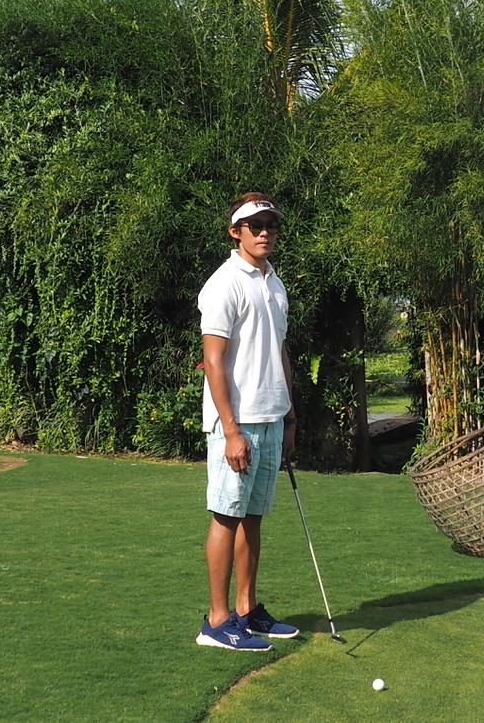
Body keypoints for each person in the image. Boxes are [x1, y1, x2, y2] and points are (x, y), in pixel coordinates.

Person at [195, 192, 299, 651]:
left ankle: (246, 610)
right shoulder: (223, 284)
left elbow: (279, 353)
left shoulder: (275, 284)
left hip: (271, 417)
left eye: (270, 225)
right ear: (235, 232)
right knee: (226, 516)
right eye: (254, 225)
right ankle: (216, 623)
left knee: (252, 517)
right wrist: (232, 430)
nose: (264, 232)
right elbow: (213, 362)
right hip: (235, 422)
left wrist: (290, 416)